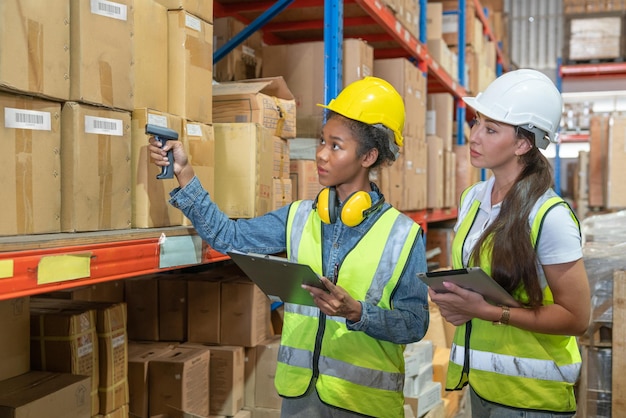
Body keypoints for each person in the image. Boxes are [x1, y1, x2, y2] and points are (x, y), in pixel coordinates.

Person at [149, 76, 430, 418]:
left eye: (336, 146)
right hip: (301, 401)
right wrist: (184, 172)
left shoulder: (403, 234)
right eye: (322, 141)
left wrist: (358, 313)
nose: (321, 155)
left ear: (369, 156)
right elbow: (229, 237)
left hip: (364, 406)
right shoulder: (300, 216)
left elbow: (414, 323)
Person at [427, 69, 591, 417]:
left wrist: (488, 312)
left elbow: (576, 318)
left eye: (491, 129)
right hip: (483, 387)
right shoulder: (473, 198)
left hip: (531, 397)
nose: (474, 136)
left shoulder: (550, 216)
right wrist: (453, 300)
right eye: (477, 123)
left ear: (522, 143)